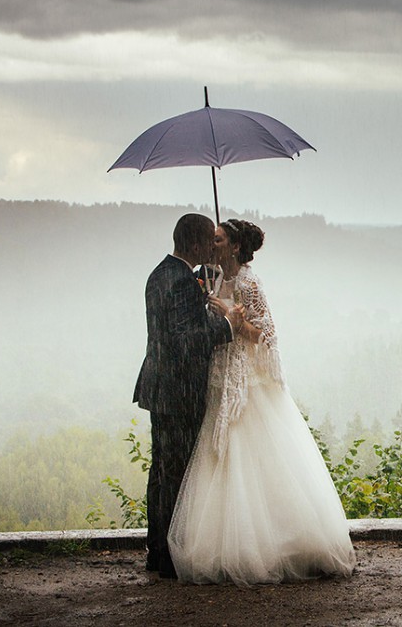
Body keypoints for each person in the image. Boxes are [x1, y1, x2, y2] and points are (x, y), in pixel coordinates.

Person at [168, 218, 356, 585]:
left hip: (245, 380)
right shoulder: (216, 276)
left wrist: (235, 323)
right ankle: (225, 544)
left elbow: (266, 335)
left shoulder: (250, 282)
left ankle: (268, 544)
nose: (212, 243)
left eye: (218, 239)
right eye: (211, 239)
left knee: (250, 453)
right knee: (219, 455)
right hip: (220, 375)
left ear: (234, 247)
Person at [133, 213, 240, 579]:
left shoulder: (162, 273)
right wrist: (226, 325)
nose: (214, 246)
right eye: (210, 241)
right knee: (175, 474)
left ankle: (157, 550)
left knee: (161, 472)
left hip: (160, 386)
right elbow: (186, 340)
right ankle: (168, 557)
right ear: (195, 245)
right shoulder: (180, 282)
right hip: (179, 392)